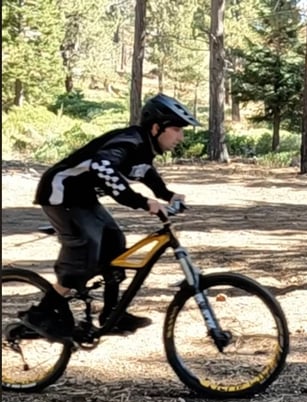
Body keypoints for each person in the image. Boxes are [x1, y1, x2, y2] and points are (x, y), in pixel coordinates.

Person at [20, 93, 201, 341]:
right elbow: (102, 167)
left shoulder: (144, 148)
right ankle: (40, 314)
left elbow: (145, 173)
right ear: (156, 128)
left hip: (83, 199)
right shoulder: (129, 141)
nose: (181, 137)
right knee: (86, 249)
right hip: (60, 193)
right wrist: (142, 202)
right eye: (177, 130)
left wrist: (168, 195)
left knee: (114, 242)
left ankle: (112, 314)